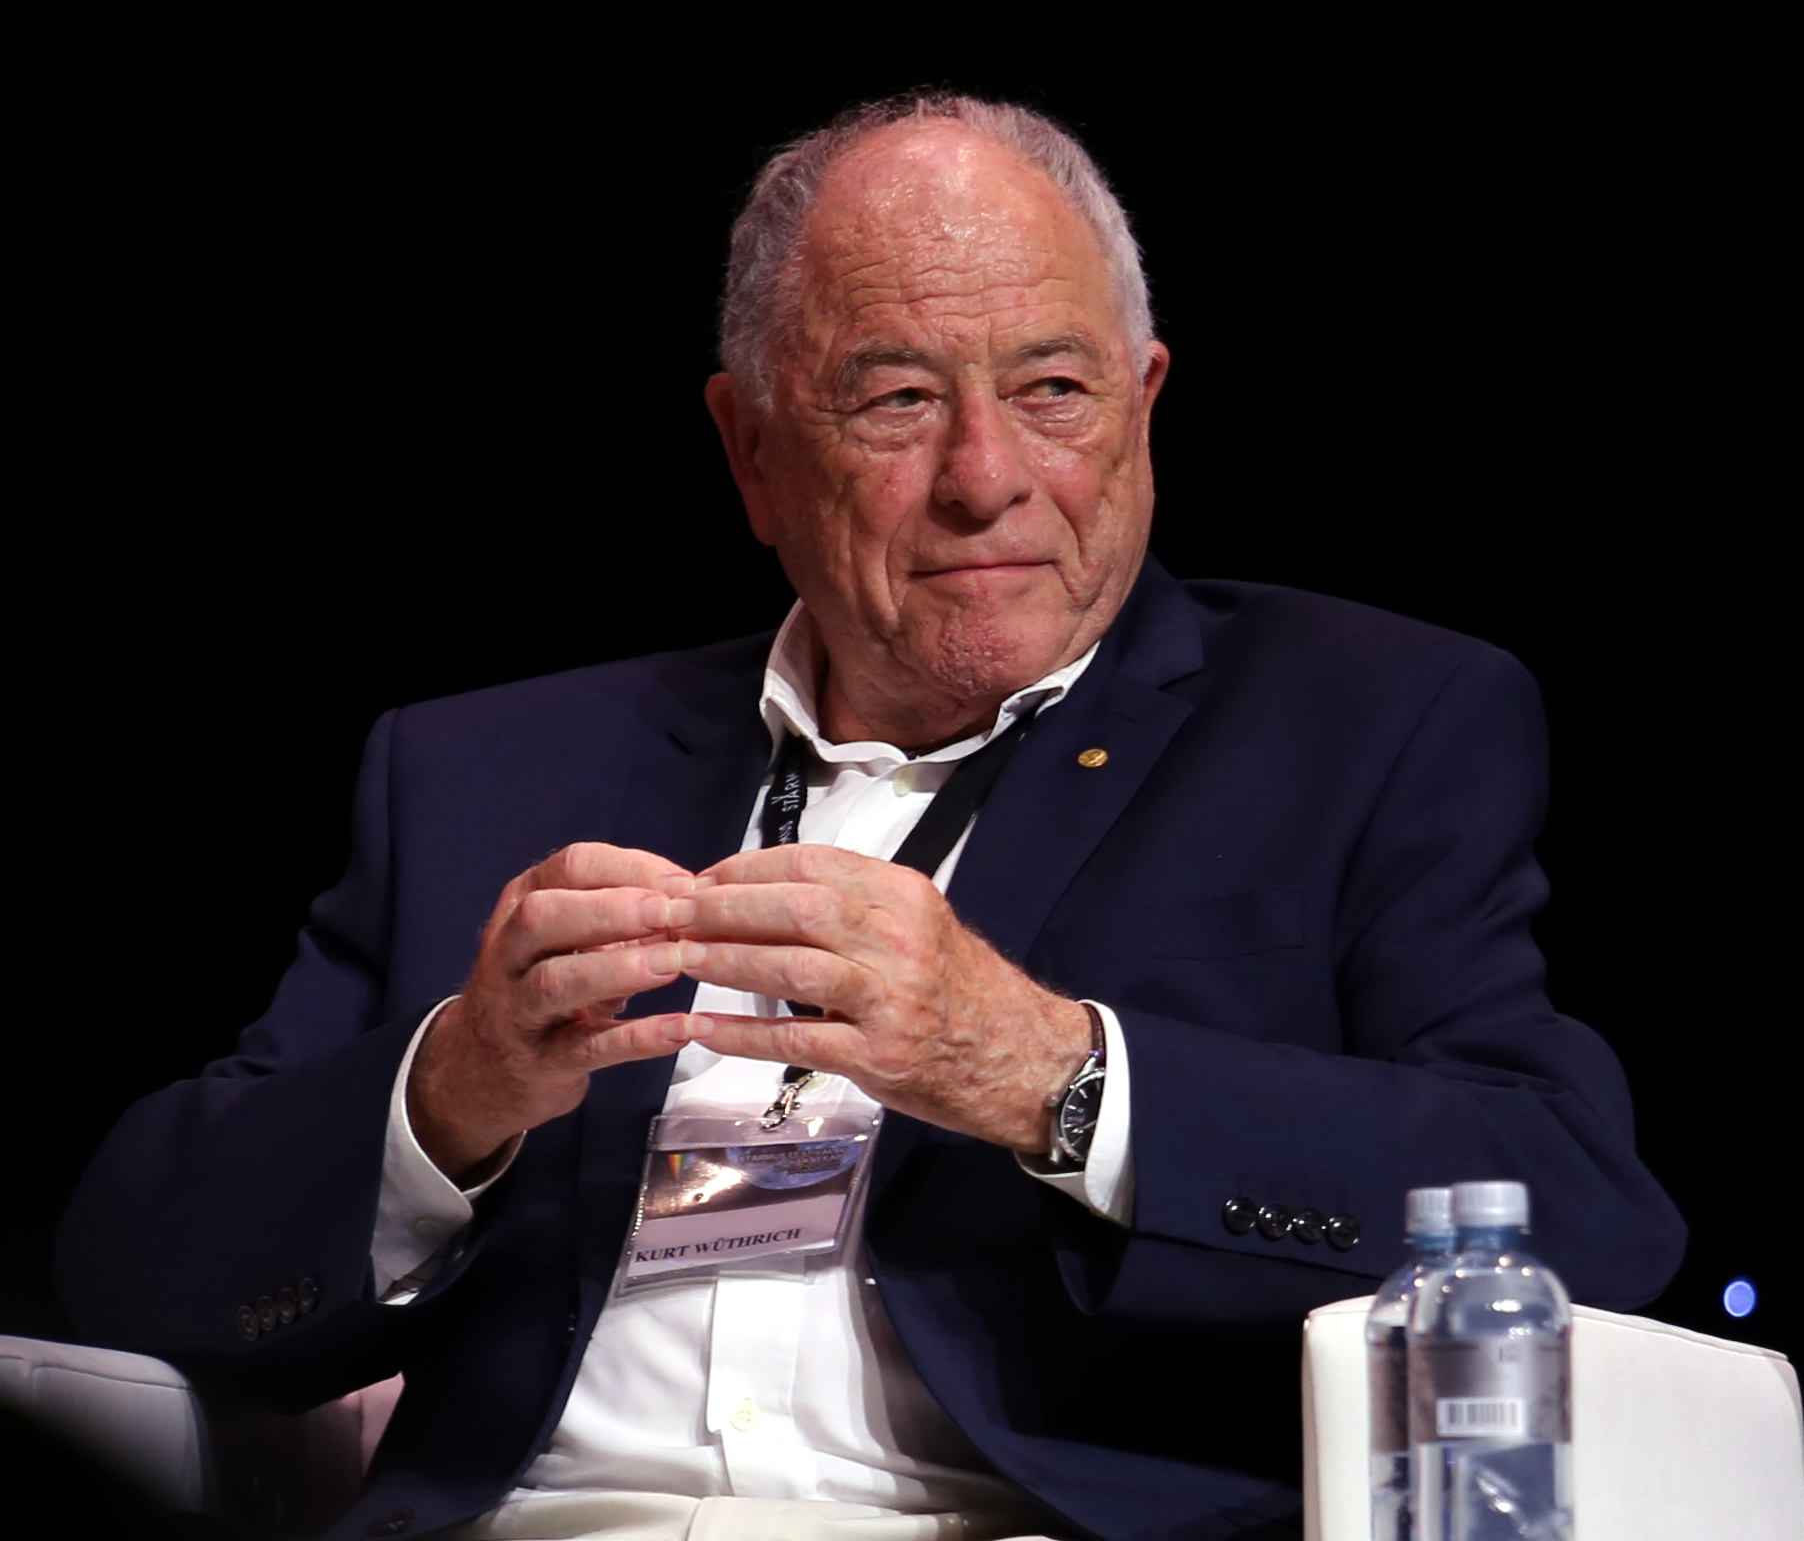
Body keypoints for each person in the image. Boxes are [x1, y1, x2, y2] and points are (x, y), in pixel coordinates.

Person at [57, 94, 1685, 1541]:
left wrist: (1054, 1075)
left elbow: (1573, 1211)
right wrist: (454, 1091)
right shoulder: (489, 768)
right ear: (753, 451)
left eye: (1053, 389)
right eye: (898, 398)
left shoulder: (1364, 724)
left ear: (1144, 403)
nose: (986, 476)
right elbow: (135, 1269)